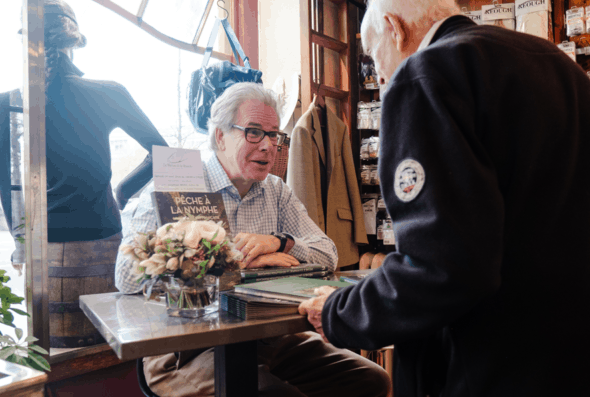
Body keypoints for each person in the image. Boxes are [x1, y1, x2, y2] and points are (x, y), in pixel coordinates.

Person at [298, 1, 590, 396]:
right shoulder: (559, 65)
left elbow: (442, 267)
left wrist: (340, 312)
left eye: (374, 57)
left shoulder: (425, 75)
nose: (381, 77)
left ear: (394, 29)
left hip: (523, 370)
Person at [114, 82, 390, 397]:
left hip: (267, 339)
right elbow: (125, 277)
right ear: (220, 136)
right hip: (186, 350)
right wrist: (230, 260)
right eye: (254, 132)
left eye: (274, 135)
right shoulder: (178, 181)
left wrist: (280, 243)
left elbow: (329, 255)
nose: (268, 146)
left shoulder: (275, 190)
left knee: (369, 380)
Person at [0, 0, 167, 347]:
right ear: (74, 39)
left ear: (24, 37)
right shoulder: (108, 92)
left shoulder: (6, 102)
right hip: (105, 244)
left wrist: (20, 241)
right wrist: (122, 191)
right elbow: (164, 155)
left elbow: (8, 186)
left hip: (44, 251)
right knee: (109, 351)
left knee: (48, 354)